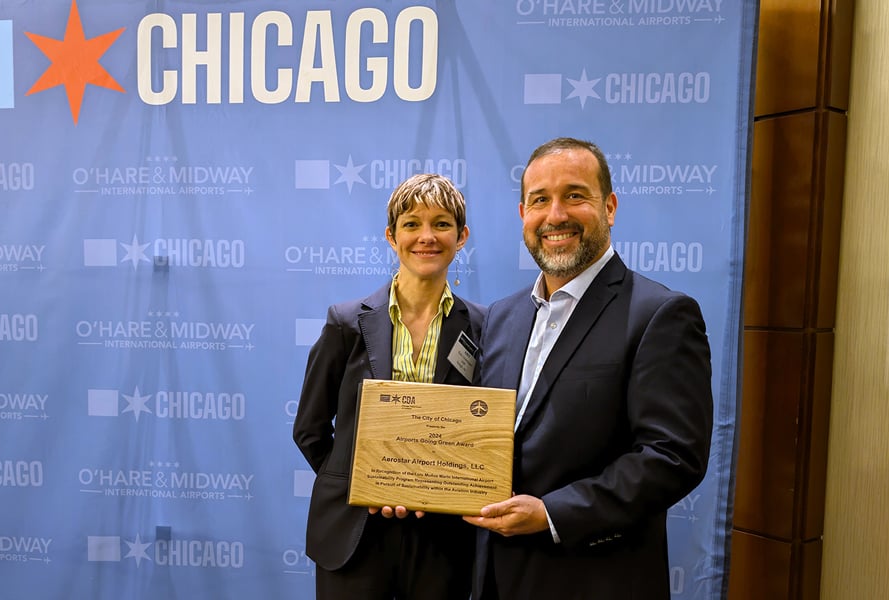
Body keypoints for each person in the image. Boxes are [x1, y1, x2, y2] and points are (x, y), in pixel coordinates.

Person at [462, 137, 713, 600]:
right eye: (540, 200)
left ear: (610, 207)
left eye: (574, 195)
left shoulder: (660, 314)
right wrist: (414, 481)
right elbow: (482, 435)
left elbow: (672, 457)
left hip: (593, 579)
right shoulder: (501, 316)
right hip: (494, 579)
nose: (555, 215)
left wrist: (554, 513)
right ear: (523, 216)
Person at [293, 173, 484, 600]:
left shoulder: (485, 326)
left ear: (462, 235)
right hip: (354, 535)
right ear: (391, 236)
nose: (426, 237)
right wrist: (362, 483)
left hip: (443, 538)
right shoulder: (346, 322)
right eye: (412, 224)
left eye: (441, 223)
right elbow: (310, 429)